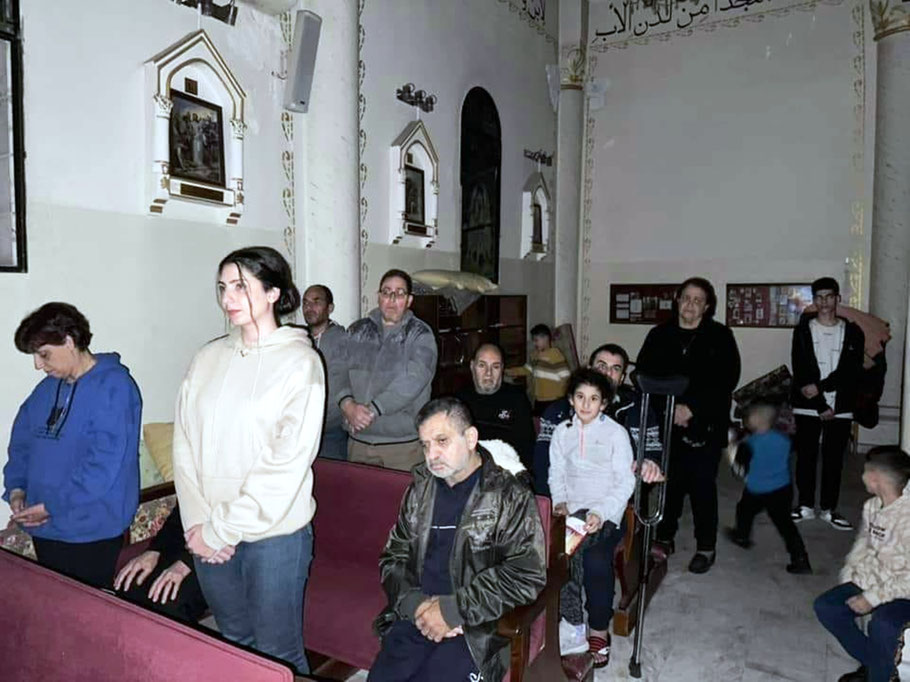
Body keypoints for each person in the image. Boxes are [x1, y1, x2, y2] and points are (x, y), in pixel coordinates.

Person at [172, 246, 324, 675]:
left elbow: (286, 463)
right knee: (235, 645)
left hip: (275, 537)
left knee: (279, 656)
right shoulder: (207, 358)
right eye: (222, 287)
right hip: (208, 533)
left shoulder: (300, 363)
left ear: (273, 292)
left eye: (240, 286)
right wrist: (199, 525)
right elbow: (184, 444)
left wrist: (223, 528)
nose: (227, 298)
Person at [368, 397, 546, 682]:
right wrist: (415, 604)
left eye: (441, 441)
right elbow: (393, 557)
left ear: (471, 438)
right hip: (418, 615)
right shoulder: (420, 491)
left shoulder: (509, 495)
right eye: (425, 445)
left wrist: (454, 610)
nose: (432, 455)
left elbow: (526, 573)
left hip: (476, 628)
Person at [3, 302, 141, 589]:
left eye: (44, 354)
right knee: (54, 610)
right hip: (45, 526)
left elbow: (101, 469)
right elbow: (21, 444)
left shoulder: (115, 387)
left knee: (85, 618)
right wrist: (17, 488)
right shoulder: (45, 390)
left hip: (91, 530)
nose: (38, 365)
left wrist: (51, 505)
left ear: (69, 341)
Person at [637, 277, 741, 574]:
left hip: (705, 424)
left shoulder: (720, 336)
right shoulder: (659, 334)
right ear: (677, 301)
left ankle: (705, 546)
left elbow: (725, 379)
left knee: (702, 486)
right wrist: (669, 410)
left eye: (698, 300)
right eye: (686, 298)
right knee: (668, 483)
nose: (691, 305)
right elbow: (645, 376)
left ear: (707, 306)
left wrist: (692, 409)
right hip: (667, 421)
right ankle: (665, 537)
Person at [549, 369, 635, 669]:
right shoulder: (562, 432)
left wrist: (600, 512)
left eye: (594, 399)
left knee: (595, 560)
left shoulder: (616, 434)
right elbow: (556, 473)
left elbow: (625, 483)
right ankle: (570, 623)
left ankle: (597, 629)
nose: (586, 404)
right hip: (571, 515)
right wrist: (559, 502)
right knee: (559, 556)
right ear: (571, 399)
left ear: (605, 403)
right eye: (580, 397)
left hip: (607, 514)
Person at [814, 446, 910, 682]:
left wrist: (873, 598)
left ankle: (880, 674)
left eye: (865, 471)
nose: (861, 476)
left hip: (903, 590)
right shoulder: (871, 506)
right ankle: (878, 664)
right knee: (827, 606)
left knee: (882, 625)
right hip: (873, 579)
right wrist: (850, 574)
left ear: (877, 477)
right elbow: (862, 544)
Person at [337, 269, 438, 470]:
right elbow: (338, 371)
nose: (392, 299)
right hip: (358, 442)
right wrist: (347, 404)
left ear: (409, 300)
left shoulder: (420, 335)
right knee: (358, 501)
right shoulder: (357, 331)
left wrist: (373, 410)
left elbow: (412, 382)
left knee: (401, 501)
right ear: (378, 297)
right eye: (386, 292)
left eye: (399, 293)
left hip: (401, 447)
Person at [534, 342, 663, 496]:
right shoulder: (559, 410)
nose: (607, 373)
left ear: (621, 378)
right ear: (589, 370)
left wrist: (650, 463)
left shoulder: (639, 408)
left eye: (615, 369)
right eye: (601, 366)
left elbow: (652, 449)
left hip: (618, 494)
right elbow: (543, 461)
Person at [791, 277, 864, 530]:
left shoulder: (853, 332)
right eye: (819, 297)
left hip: (841, 405)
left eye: (829, 296)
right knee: (806, 457)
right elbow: (801, 369)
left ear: (837, 298)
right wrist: (820, 403)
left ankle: (829, 509)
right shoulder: (803, 330)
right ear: (814, 300)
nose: (824, 302)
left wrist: (821, 389)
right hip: (808, 405)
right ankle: (805, 505)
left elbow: (850, 371)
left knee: (834, 460)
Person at [724, 401, 811, 574]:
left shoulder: (749, 444)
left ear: (755, 421)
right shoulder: (784, 440)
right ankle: (800, 558)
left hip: (757, 489)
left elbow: (739, 470)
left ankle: (742, 536)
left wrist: (732, 447)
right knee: (786, 525)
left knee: (744, 510)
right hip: (782, 489)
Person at [114, 503, 208, 623]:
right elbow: (178, 516)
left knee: (167, 601)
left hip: (222, 551)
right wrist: (155, 550)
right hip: (186, 543)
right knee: (129, 584)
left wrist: (186, 562)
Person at [455, 343, 535, 470]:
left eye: (495, 367)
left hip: (506, 474)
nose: (488, 373)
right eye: (482, 365)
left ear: (502, 369)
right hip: (468, 473)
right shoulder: (459, 401)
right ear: (472, 366)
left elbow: (527, 451)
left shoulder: (517, 399)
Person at [302, 284, 349, 460]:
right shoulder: (298, 340)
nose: (309, 308)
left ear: (330, 308)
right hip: (301, 430)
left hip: (332, 432)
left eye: (316, 302)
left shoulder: (344, 340)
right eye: (305, 303)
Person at [507, 323, 571, 416]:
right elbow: (527, 369)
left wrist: (565, 397)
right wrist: (509, 371)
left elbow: (566, 376)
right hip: (539, 399)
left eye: (536, 340)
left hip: (554, 399)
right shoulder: (534, 355)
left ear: (546, 338)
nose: (534, 343)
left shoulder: (555, 354)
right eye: (533, 340)